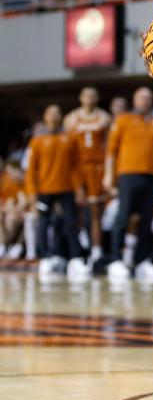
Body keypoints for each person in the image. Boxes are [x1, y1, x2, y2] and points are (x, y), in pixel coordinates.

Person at [104, 87, 153, 280]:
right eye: (142, 98)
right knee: (123, 217)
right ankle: (116, 259)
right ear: (134, 99)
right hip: (128, 174)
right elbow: (111, 151)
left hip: (152, 176)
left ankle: (141, 261)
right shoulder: (123, 119)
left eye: (148, 98)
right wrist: (108, 175)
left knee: (146, 220)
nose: (145, 101)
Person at [25, 105, 85, 277]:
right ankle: (44, 257)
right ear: (45, 117)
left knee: (71, 222)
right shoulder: (36, 142)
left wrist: (79, 188)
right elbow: (31, 171)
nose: (54, 116)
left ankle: (75, 258)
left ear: (61, 117)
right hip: (44, 190)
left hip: (66, 189)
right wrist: (31, 195)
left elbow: (76, 166)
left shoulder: (70, 139)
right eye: (51, 113)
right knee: (43, 224)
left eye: (57, 113)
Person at [63, 87, 111, 268]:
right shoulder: (71, 119)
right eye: (86, 95)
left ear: (97, 98)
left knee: (96, 211)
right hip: (78, 167)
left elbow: (108, 146)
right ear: (80, 98)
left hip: (97, 166)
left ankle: (96, 252)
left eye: (93, 95)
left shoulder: (104, 118)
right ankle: (78, 252)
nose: (89, 98)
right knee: (75, 211)